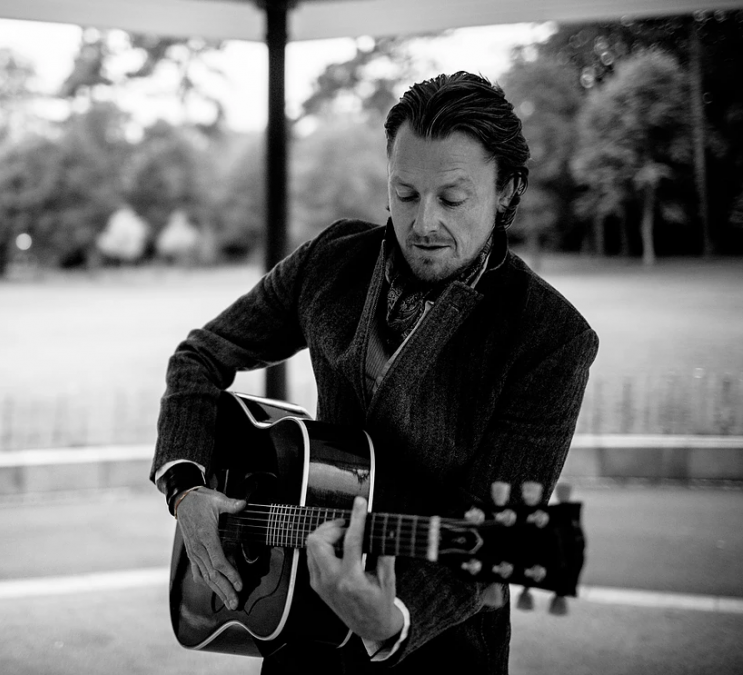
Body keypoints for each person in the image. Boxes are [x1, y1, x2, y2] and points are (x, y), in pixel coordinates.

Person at [150, 71, 599, 673]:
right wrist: (187, 487)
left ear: (508, 192)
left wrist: (392, 620)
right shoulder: (333, 259)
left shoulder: (551, 337)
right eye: (405, 194)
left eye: (453, 198)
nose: (423, 223)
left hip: (443, 650)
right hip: (295, 633)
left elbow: (494, 531)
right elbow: (200, 357)